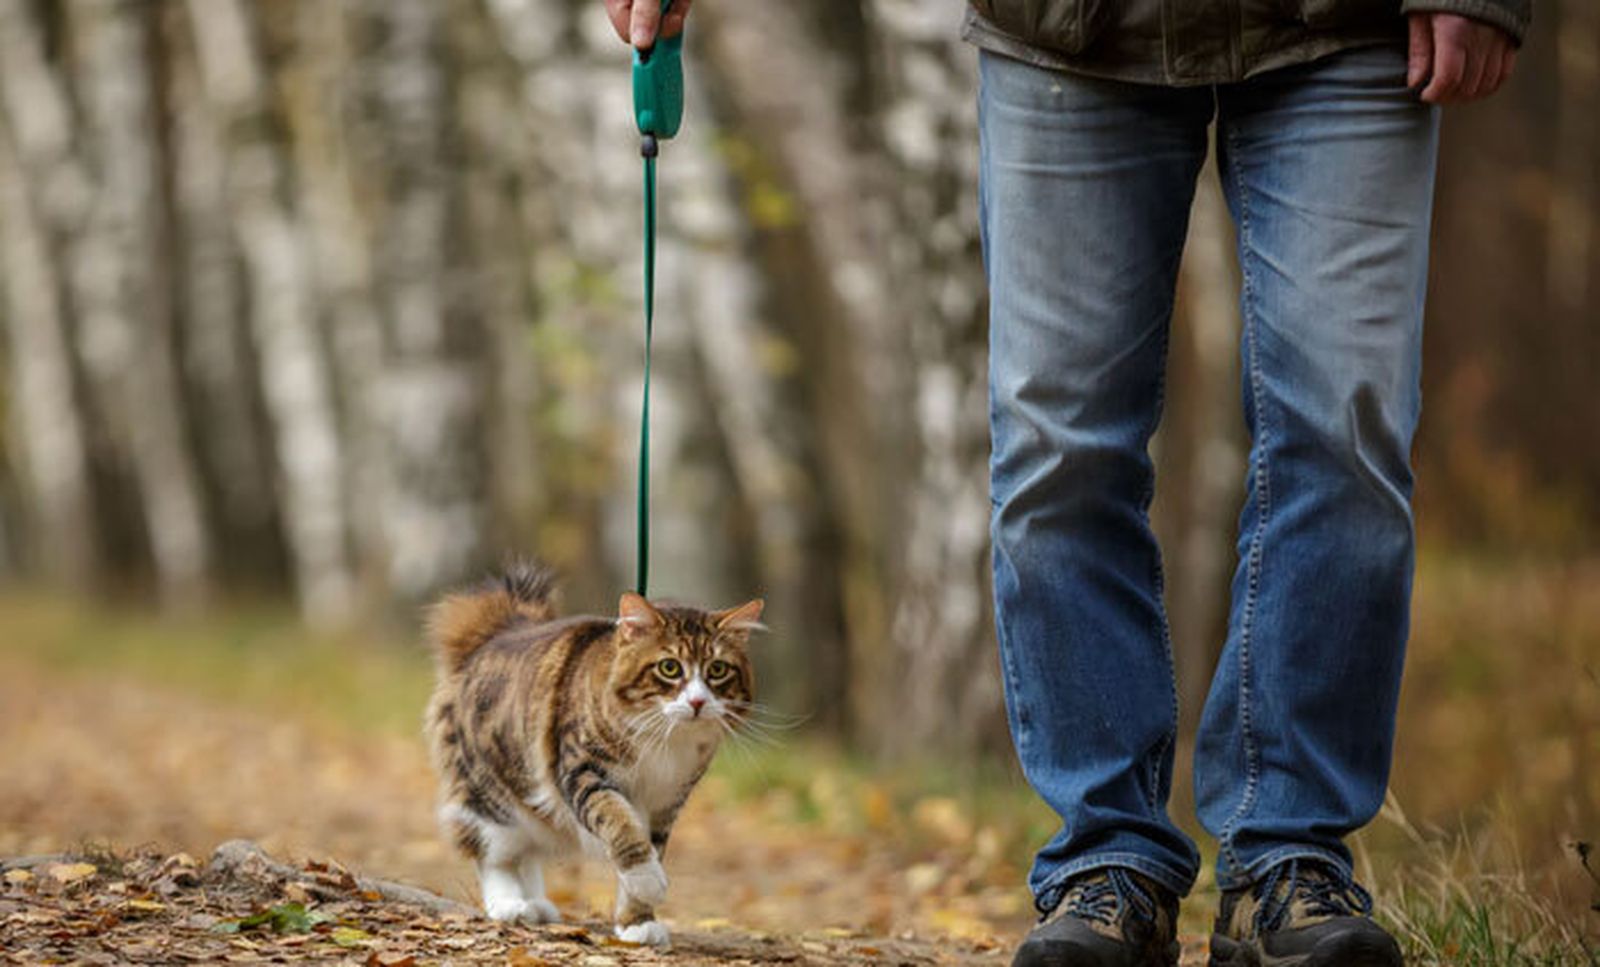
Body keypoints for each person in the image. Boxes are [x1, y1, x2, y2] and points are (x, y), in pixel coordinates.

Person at [604, 1, 1527, 965]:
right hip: (1068, 28)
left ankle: (1290, 863)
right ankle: (1106, 859)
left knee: (1345, 434)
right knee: (1059, 451)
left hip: (1352, 27)